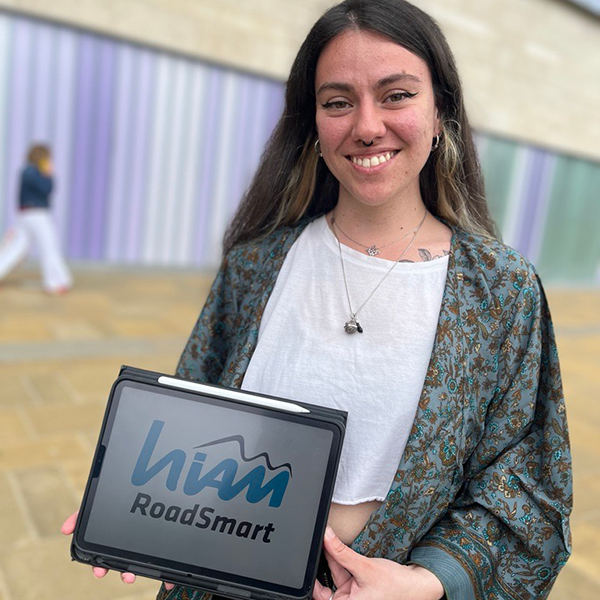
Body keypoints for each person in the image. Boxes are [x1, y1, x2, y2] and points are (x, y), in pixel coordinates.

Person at [63, 0, 572, 598]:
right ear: (314, 127)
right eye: (337, 102)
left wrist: (428, 581)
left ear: (441, 115)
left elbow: (528, 488)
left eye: (397, 95)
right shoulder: (254, 266)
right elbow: (187, 435)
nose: (366, 125)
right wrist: (134, 508)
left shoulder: (502, 291)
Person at [0, 144, 72, 294]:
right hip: (37, 214)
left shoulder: (26, 171)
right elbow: (46, 190)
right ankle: (56, 282)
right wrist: (49, 174)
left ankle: (56, 281)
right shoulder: (33, 172)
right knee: (49, 246)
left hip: (25, 215)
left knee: (16, 248)